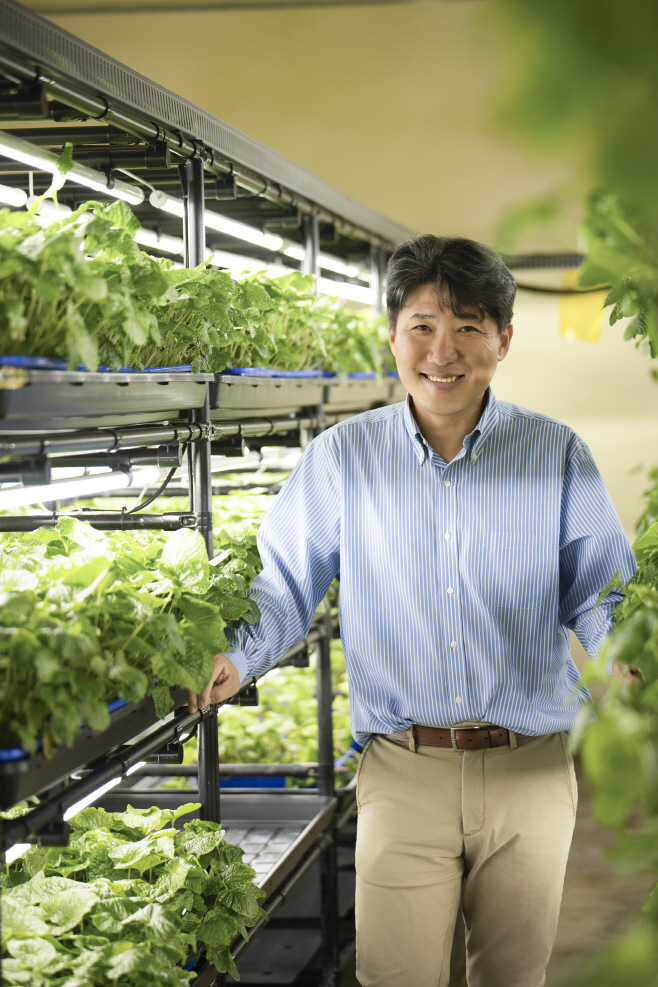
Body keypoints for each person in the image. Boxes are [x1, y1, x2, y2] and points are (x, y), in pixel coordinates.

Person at [188, 234, 637, 987]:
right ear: (392, 335)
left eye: (468, 326)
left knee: (514, 977)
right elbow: (283, 582)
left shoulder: (555, 452)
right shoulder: (343, 457)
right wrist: (236, 655)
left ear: (503, 339)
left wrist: (624, 652)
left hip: (530, 767)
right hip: (404, 768)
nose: (442, 351)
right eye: (422, 326)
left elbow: (599, 588)